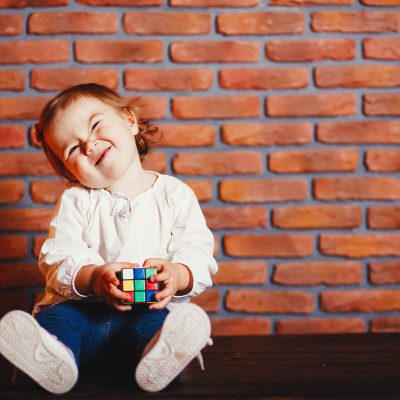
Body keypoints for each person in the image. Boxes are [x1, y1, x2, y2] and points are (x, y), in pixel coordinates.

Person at [0, 83, 218, 394]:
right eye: (73, 149)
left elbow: (197, 251)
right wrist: (94, 277)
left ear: (129, 121)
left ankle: (159, 355)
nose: (89, 145)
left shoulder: (174, 194)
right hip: (83, 314)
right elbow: (58, 256)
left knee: (158, 325)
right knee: (61, 319)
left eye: (96, 125)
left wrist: (178, 274)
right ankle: (54, 356)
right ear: (70, 172)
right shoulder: (77, 200)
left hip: (145, 313)